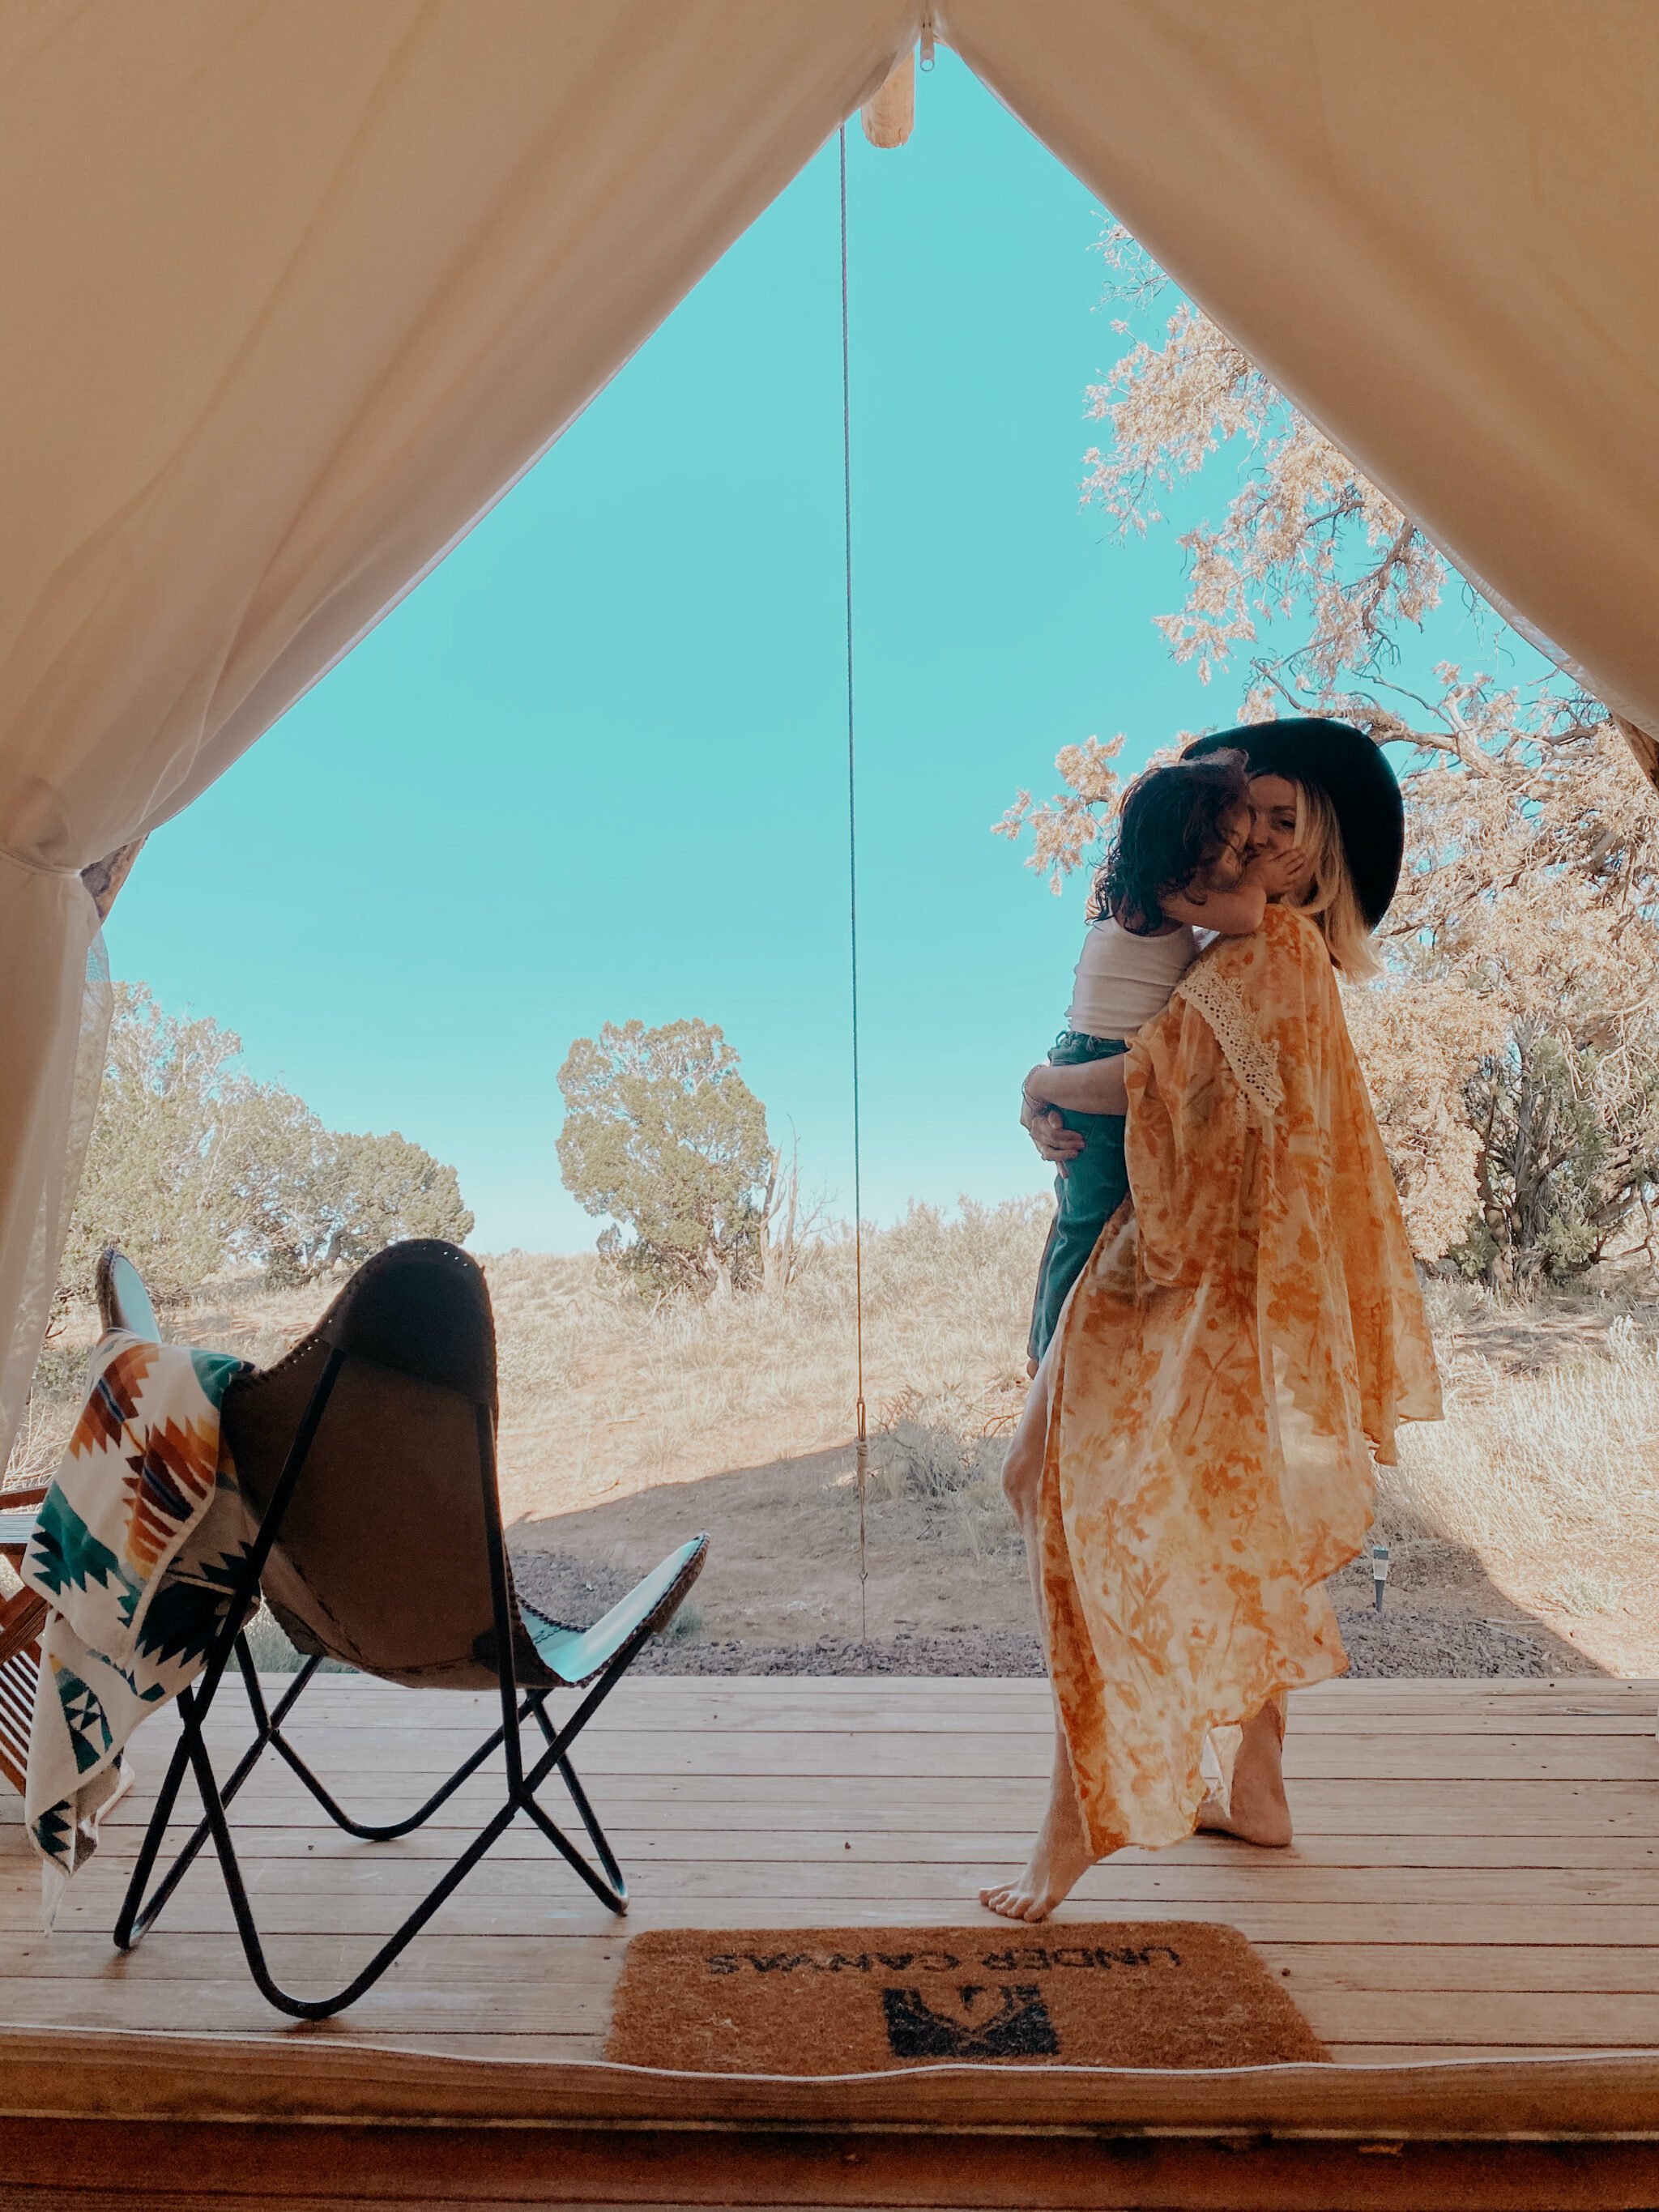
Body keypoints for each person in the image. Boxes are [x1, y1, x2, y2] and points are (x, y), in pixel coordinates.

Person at [983, 718, 1440, 1924]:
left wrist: (1036, 1084)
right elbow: (1153, 1074)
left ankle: (1083, 1804)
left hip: (1180, 1279)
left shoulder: (1268, 952)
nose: (1262, 842)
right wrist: (1056, 1108)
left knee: (1060, 1489)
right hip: (1229, 1285)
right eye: (1255, 819)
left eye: (1288, 824)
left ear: (1318, 851)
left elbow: (1145, 1079)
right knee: (1231, 1518)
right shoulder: (1258, 956)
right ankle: (1258, 1782)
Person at [1022, 748, 1307, 1375]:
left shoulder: (1157, 900)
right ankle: (1052, 1353)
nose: (1246, 852)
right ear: (1187, 846)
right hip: (1104, 1060)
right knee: (1090, 1217)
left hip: (1085, 1055)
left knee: (1095, 1214)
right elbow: (1245, 913)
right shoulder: (1163, 893)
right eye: (1234, 843)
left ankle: (1060, 1347)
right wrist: (1263, 883)